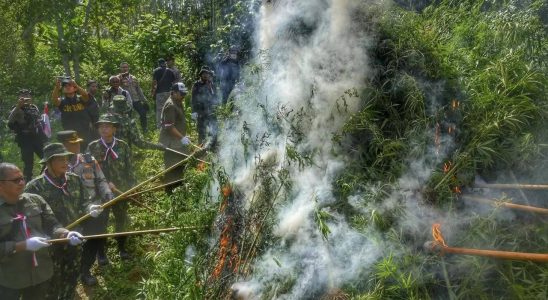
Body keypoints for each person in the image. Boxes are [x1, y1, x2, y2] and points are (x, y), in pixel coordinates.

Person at [0, 162, 82, 300]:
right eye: (16, 180)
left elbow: (52, 225)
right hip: (9, 278)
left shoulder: (35, 200)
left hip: (41, 272)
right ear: (1, 184)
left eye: (22, 178)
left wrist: (66, 234)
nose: (21, 182)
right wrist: (22, 246)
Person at [25, 143, 87, 300]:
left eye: (67, 158)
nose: (66, 162)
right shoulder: (34, 187)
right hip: (50, 244)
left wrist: (91, 208)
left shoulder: (74, 180)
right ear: (49, 162)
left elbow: (84, 202)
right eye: (60, 159)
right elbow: (28, 218)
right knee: (52, 282)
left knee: (72, 276)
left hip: (73, 238)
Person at [57, 130, 113, 285]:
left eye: (78, 142)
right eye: (72, 144)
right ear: (63, 146)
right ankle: (73, 274)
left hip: (93, 208)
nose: (77, 146)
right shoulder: (58, 167)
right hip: (72, 212)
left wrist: (107, 194)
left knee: (94, 240)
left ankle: (85, 270)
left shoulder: (88, 159)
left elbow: (101, 180)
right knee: (76, 244)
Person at [87, 114, 135, 260]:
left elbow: (130, 170)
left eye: (107, 126)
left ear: (114, 128)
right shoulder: (92, 147)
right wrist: (102, 185)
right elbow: (88, 173)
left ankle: (122, 247)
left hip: (121, 191)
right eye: (101, 126)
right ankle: (101, 253)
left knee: (121, 220)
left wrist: (131, 188)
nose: (103, 129)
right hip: (101, 194)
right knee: (101, 222)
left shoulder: (123, 146)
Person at [7, 89, 47, 181]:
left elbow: (38, 122)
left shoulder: (34, 107)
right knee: (29, 164)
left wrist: (44, 136)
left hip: (36, 138)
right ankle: (28, 183)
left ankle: (43, 178)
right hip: (25, 139)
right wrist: (18, 106)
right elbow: (10, 120)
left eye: (27, 95)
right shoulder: (16, 109)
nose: (26, 98)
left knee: (47, 159)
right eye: (23, 96)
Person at [160, 83, 191, 194]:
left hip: (177, 142)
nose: (183, 96)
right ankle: (171, 194)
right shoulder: (171, 105)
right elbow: (169, 127)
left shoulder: (178, 102)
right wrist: (182, 138)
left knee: (181, 165)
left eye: (184, 94)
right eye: (181, 94)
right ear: (174, 92)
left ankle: (179, 190)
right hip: (171, 144)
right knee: (172, 168)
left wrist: (183, 137)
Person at [51, 76, 94, 148]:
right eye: (65, 86)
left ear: (74, 88)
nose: (67, 87)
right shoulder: (62, 101)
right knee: (73, 153)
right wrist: (57, 87)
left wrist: (76, 85)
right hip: (70, 133)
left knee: (87, 151)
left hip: (85, 131)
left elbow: (86, 95)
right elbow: (55, 100)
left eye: (70, 85)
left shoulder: (80, 98)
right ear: (63, 89)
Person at [191, 66, 218, 147]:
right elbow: (193, 99)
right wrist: (194, 112)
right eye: (204, 74)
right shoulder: (196, 85)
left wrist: (210, 88)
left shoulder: (211, 85)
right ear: (201, 75)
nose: (206, 75)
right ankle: (200, 148)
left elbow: (215, 97)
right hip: (200, 111)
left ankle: (212, 146)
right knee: (201, 131)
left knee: (213, 129)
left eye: (207, 74)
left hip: (210, 111)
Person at [119, 62, 150, 133]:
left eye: (126, 67)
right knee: (128, 117)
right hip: (126, 101)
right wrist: (120, 77)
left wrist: (144, 100)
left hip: (136, 100)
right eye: (123, 67)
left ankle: (144, 129)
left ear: (128, 68)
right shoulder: (118, 78)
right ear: (120, 68)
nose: (124, 69)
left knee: (143, 113)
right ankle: (129, 132)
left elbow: (138, 89)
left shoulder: (133, 77)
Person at [152, 58, 177, 127]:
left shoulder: (156, 71)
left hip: (160, 93)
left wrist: (153, 92)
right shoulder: (170, 71)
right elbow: (174, 83)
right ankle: (170, 124)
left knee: (159, 109)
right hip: (169, 92)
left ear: (158, 63)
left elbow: (154, 83)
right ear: (164, 63)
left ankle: (159, 126)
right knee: (169, 108)